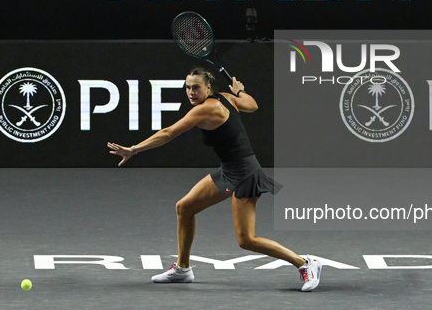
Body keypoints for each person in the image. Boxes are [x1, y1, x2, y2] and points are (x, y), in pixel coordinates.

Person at [107, 67, 322, 292]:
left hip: (245, 174)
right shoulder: (227, 98)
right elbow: (252, 104)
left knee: (246, 240)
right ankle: (182, 269)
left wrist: (134, 149)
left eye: (196, 87)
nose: (191, 92)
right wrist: (239, 92)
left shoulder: (206, 109)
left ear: (208, 87)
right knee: (184, 207)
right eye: (188, 87)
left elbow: (169, 132)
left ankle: (305, 263)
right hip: (229, 169)